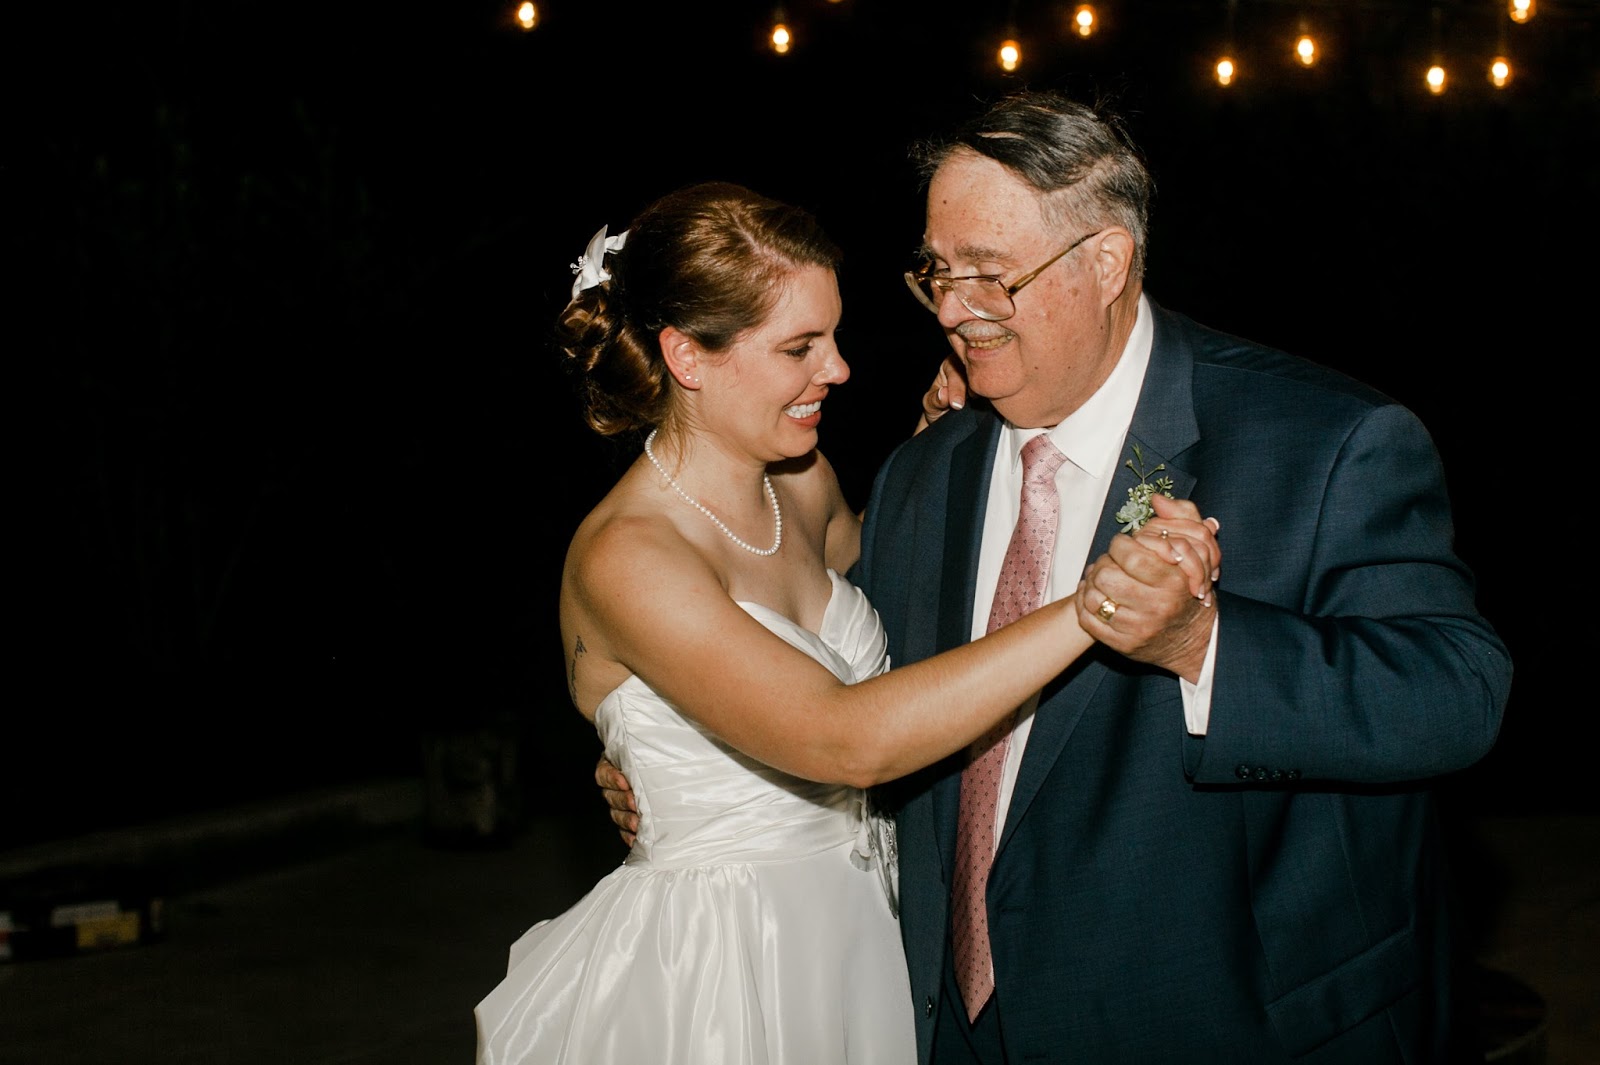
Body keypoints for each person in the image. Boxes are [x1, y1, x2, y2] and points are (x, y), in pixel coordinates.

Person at [598, 93, 1512, 1064]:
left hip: (1219, 1026)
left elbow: (1458, 696)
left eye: (990, 277)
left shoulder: (1321, 440)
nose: (953, 311)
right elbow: (863, 691)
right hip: (940, 1025)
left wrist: (1203, 646)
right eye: (937, 273)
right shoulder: (923, 471)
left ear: (1106, 262)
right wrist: (681, 753)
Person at [473, 181, 1221, 1064]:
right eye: (800, 347)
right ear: (687, 356)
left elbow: (892, 600)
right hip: (725, 966)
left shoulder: (800, 482)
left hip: (869, 934)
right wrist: (1102, 603)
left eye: (832, 336)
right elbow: (845, 736)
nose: (837, 368)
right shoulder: (627, 557)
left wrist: (933, 449)